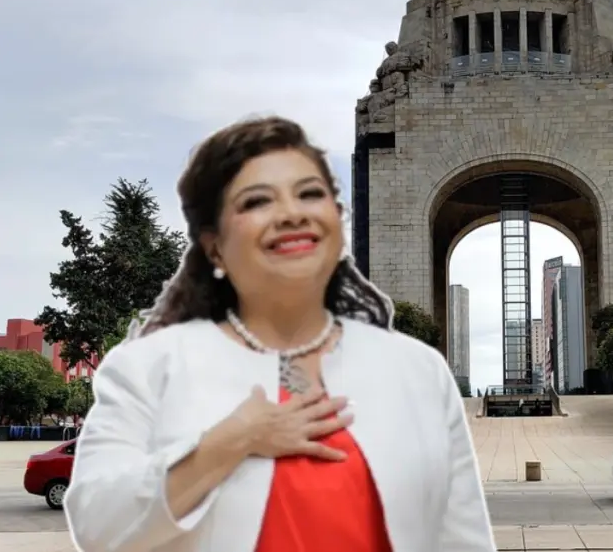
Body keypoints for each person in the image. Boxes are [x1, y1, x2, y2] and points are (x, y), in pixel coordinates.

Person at [63, 117, 496, 552]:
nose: (292, 214)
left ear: (336, 218)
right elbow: (96, 524)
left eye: (310, 194)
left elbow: (462, 538)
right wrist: (229, 442)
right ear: (214, 244)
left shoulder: (418, 372)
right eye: (257, 201)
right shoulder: (147, 368)